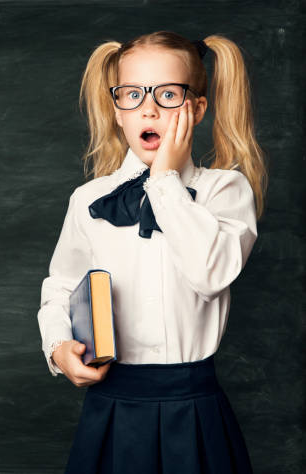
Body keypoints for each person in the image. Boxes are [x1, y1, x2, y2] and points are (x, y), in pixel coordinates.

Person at [36, 30, 268, 474]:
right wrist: (58, 346)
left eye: (167, 94)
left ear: (197, 108)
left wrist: (164, 181)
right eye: (132, 94)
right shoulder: (88, 199)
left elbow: (210, 273)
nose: (148, 108)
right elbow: (61, 286)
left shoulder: (225, 191)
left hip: (192, 407)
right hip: (111, 404)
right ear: (117, 109)